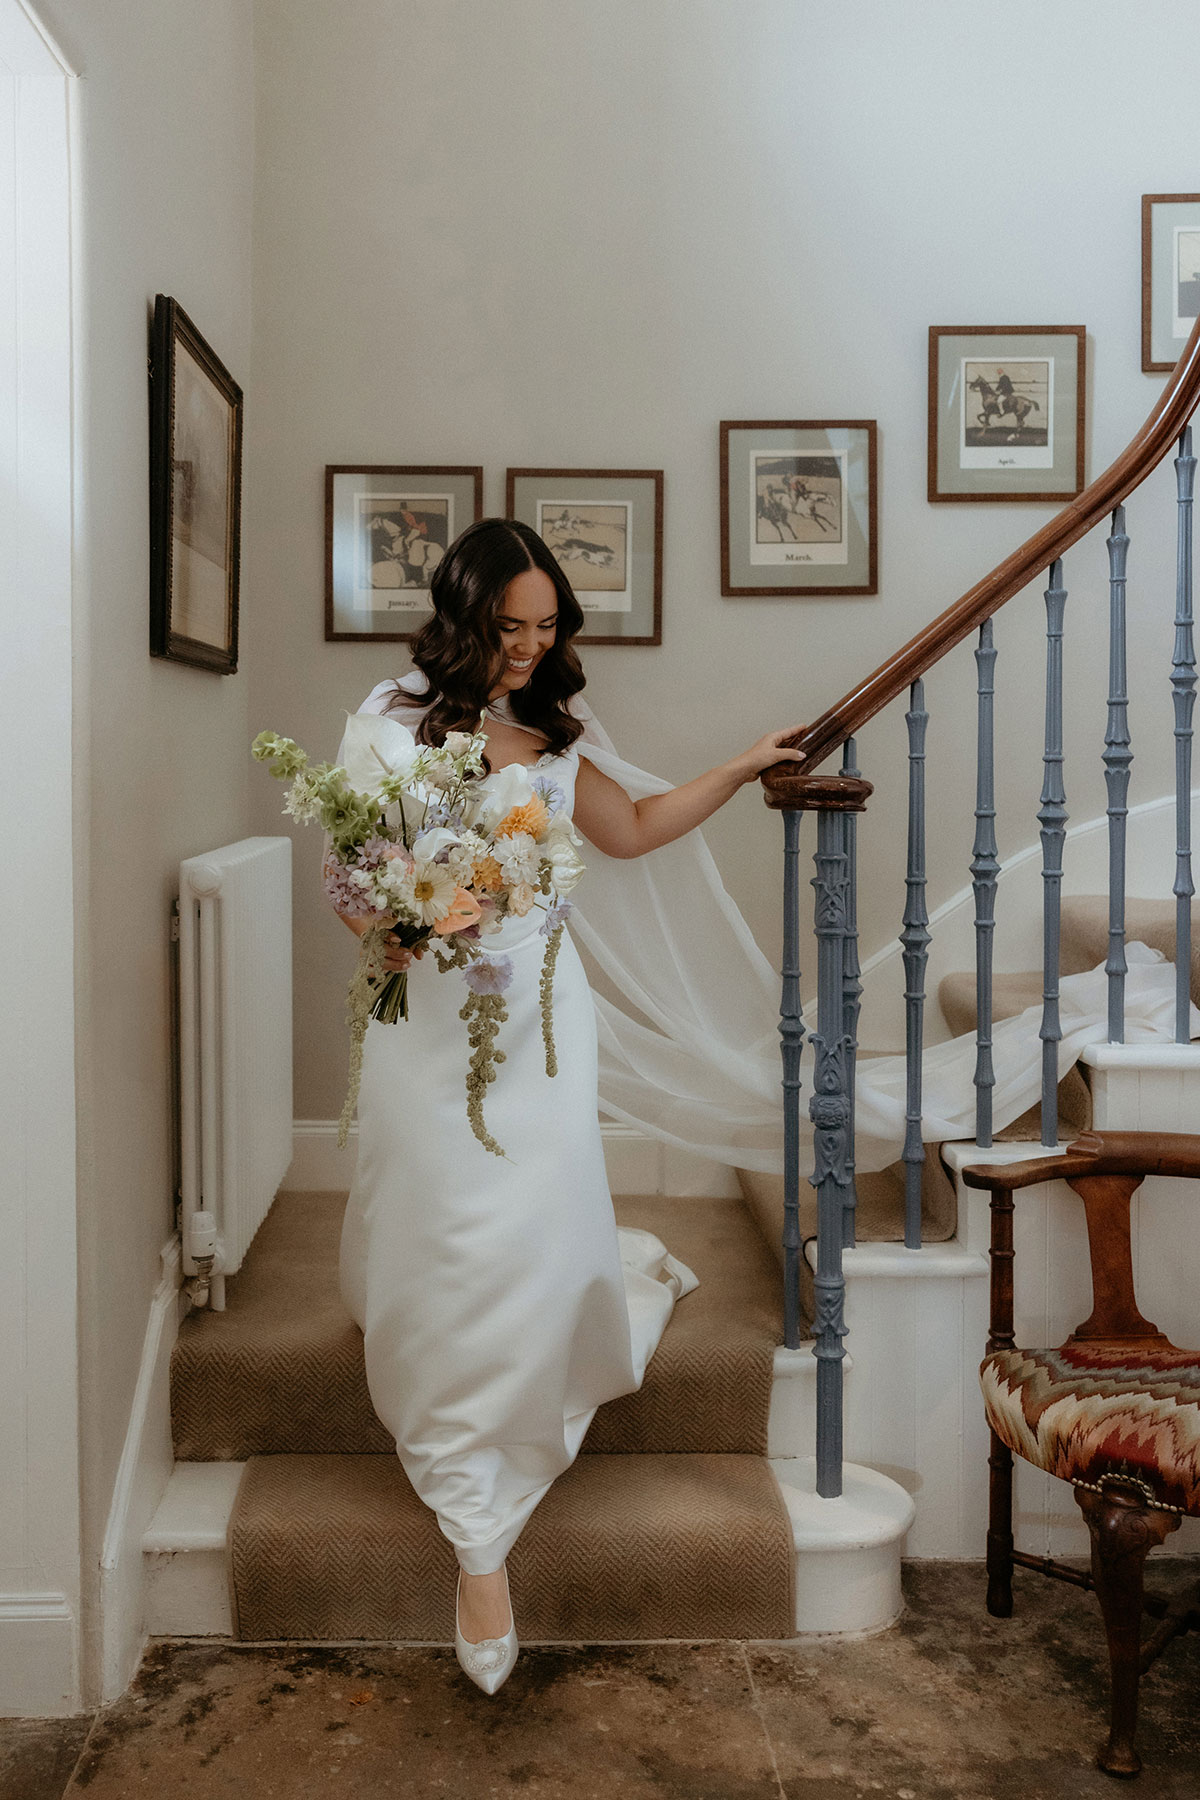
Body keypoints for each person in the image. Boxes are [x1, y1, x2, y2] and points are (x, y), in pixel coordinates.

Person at [330, 516, 802, 1693]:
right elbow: (351, 884)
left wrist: (740, 768)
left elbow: (630, 832)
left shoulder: (549, 729)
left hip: (542, 1014)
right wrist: (407, 922)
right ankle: (463, 1472)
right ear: (462, 619)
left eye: (547, 630)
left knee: (526, 1221)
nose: (531, 650)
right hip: (425, 1017)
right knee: (441, 1221)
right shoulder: (383, 724)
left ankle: (486, 1520)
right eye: (510, 630)